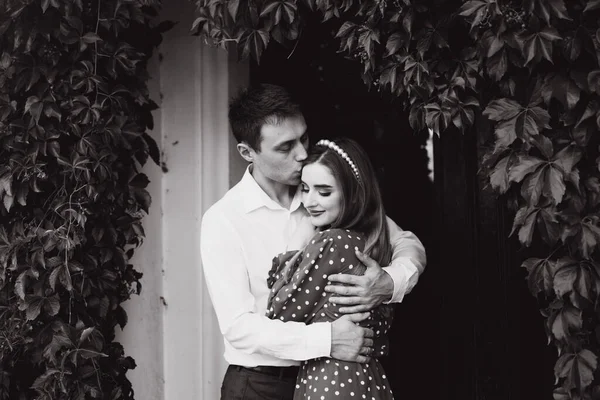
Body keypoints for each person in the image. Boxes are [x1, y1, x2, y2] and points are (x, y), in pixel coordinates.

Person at [200, 84, 426, 400]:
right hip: (262, 386)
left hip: (331, 377)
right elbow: (239, 328)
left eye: (304, 137)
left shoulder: (323, 192)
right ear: (247, 152)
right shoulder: (224, 219)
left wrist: (390, 281)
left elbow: (406, 242)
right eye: (285, 147)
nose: (303, 154)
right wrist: (329, 339)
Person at [266, 138, 396, 399]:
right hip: (366, 376)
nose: (309, 201)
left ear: (352, 193)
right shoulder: (369, 240)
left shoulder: (331, 242)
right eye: (304, 189)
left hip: (332, 378)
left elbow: (278, 311)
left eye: (324, 192)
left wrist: (296, 245)